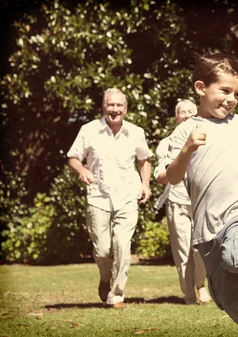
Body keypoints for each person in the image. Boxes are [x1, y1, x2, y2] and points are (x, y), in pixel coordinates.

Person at [166, 53, 238, 337]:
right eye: (225, 91)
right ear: (200, 88)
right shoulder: (185, 131)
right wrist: (187, 149)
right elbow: (172, 176)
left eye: (237, 94)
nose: (231, 99)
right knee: (227, 295)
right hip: (207, 224)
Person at [67, 88, 153, 309]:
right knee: (103, 250)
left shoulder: (136, 132)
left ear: (125, 109)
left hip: (127, 195)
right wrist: (82, 170)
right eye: (110, 105)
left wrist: (145, 184)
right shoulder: (89, 130)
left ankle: (116, 295)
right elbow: (73, 157)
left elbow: (145, 160)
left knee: (123, 245)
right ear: (104, 107)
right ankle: (105, 278)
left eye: (119, 106)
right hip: (98, 197)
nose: (115, 109)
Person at [153, 99, 211, 304]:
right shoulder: (166, 143)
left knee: (201, 249)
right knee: (182, 250)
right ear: (176, 117)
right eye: (182, 112)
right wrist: (167, 174)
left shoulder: (207, 137)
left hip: (201, 200)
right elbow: (160, 173)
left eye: (190, 111)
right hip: (177, 200)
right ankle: (188, 294)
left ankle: (201, 285)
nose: (186, 115)